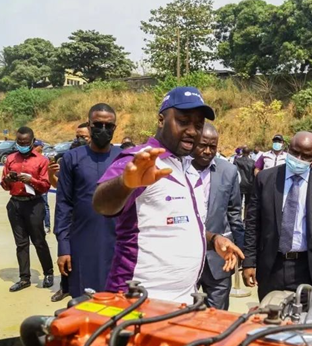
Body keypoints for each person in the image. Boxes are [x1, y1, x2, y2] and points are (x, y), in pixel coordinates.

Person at [93, 86, 243, 303]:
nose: (193, 131)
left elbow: (182, 226)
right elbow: (101, 205)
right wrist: (125, 184)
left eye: (198, 125)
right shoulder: (140, 160)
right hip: (138, 301)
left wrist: (214, 239)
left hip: (183, 300)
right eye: (183, 121)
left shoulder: (187, 168)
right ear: (161, 120)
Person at [243, 131, 312, 301]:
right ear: (288, 148)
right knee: (269, 320)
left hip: (306, 267)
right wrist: (249, 261)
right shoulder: (265, 179)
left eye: (306, 155)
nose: (299, 158)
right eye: (295, 152)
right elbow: (252, 223)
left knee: (301, 322)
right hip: (271, 265)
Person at [54, 103, 121, 300]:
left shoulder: (123, 158)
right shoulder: (72, 158)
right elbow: (63, 204)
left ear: (114, 128)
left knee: (116, 302)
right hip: (81, 242)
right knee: (84, 301)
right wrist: (63, 247)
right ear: (89, 126)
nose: (103, 130)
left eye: (108, 126)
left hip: (117, 242)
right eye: (97, 125)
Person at [186, 123, 244, 309]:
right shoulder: (178, 170)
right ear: (193, 143)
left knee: (218, 318)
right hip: (185, 258)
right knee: (183, 315)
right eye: (203, 145)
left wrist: (241, 252)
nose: (207, 151)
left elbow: (234, 213)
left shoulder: (229, 171)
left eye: (213, 147)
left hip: (219, 260)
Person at [1, 127, 54, 292]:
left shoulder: (41, 160)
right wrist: (8, 179)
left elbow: (46, 186)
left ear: (33, 141)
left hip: (34, 204)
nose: (22, 145)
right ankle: (24, 278)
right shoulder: (10, 159)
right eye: (19, 142)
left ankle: (48, 273)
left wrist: (32, 181)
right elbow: (3, 185)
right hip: (15, 204)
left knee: (39, 241)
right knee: (21, 243)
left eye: (26, 142)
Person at [48, 123, 89, 301]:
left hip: (85, 214)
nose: (79, 139)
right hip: (67, 212)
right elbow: (57, 185)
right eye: (77, 136)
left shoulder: (96, 159)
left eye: (84, 137)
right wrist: (52, 174)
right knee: (65, 249)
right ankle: (65, 286)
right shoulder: (67, 158)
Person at [33, 140, 51, 234]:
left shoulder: (45, 159)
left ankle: (47, 226)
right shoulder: (32, 159)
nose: (34, 148)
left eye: (36, 146)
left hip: (42, 186)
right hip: (34, 186)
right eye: (33, 146)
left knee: (45, 206)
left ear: (41, 147)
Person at [234, 146, 255, 216]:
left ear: (242, 152)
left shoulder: (236, 161)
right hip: (249, 184)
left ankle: (238, 217)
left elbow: (234, 172)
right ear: (249, 153)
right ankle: (246, 218)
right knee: (248, 203)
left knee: (238, 203)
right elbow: (253, 174)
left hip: (239, 184)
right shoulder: (252, 162)